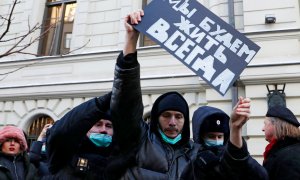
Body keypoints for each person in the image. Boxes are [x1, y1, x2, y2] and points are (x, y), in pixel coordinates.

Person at [110, 10, 200, 179]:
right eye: (166, 115)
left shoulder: (196, 154)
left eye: (178, 116)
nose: (172, 122)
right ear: (155, 118)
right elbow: (126, 101)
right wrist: (131, 40)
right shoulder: (140, 142)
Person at [46, 92, 131, 179]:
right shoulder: (66, 155)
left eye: (108, 126)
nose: (103, 130)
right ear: (86, 128)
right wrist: (98, 104)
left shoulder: (121, 161)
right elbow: (58, 134)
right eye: (98, 124)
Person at [182, 101, 268, 179]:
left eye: (219, 137)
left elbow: (262, 175)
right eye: (211, 136)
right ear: (201, 137)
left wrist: (241, 154)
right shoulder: (194, 160)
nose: (216, 140)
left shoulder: (233, 155)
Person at [262, 105, 300, 179]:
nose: (262, 129)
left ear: (276, 125)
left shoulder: (290, 157)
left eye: (265, 124)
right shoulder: (284, 151)